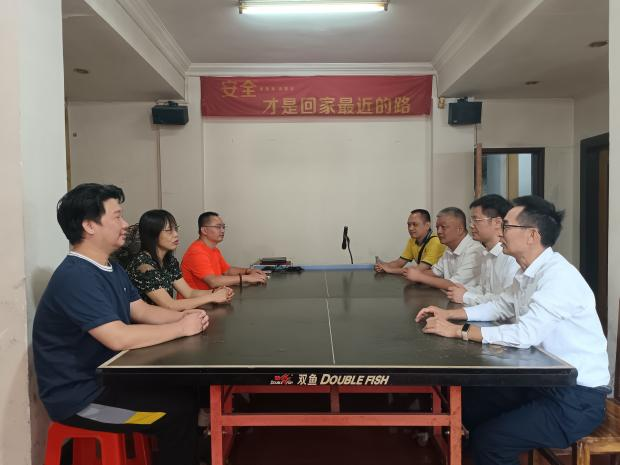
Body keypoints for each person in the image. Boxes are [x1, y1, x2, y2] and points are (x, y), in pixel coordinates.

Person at [415, 196, 609, 465]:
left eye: (506, 226)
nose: (500, 232)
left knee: (492, 443)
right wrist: (450, 314)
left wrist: (460, 331)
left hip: (575, 397)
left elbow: (525, 334)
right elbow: (500, 306)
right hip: (540, 383)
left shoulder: (559, 278)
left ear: (532, 235)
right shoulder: (527, 272)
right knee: (470, 404)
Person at [33, 183, 209, 465]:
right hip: (81, 399)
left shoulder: (111, 267)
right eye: (117, 216)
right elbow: (118, 337)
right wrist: (180, 328)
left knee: (187, 388)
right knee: (177, 411)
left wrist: (188, 316)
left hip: (108, 380)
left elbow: (141, 310)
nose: (125, 224)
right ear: (89, 225)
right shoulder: (76, 276)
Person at [127, 209, 234, 310]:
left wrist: (216, 292)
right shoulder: (143, 265)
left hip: (166, 318)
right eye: (169, 231)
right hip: (146, 322)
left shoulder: (169, 261)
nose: (176, 234)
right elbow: (170, 305)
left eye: (176, 229)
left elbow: (189, 293)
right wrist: (212, 297)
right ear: (152, 235)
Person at [445, 195, 519, 304]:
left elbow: (507, 302)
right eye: (471, 220)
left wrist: (466, 296)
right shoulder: (487, 254)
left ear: (497, 223)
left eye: (476, 220)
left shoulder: (511, 257)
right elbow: (484, 291)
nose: (471, 225)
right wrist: (465, 290)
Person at [181, 211, 267, 291]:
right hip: (198, 301)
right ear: (204, 230)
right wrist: (247, 278)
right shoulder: (196, 252)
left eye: (223, 227)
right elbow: (213, 281)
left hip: (213, 298)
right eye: (218, 227)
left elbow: (227, 271)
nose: (222, 230)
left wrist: (248, 271)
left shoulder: (214, 249)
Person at [402, 207, 484, 290]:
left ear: (459, 230)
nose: (439, 231)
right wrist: (412, 273)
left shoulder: (475, 251)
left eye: (443, 227)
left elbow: (453, 285)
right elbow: (435, 272)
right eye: (437, 227)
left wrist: (419, 277)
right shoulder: (449, 249)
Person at [375, 209, 445, 274]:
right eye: (409, 225)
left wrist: (388, 269)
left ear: (427, 225)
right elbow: (399, 263)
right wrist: (383, 266)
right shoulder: (412, 240)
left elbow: (418, 270)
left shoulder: (436, 242)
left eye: (415, 224)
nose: (410, 228)